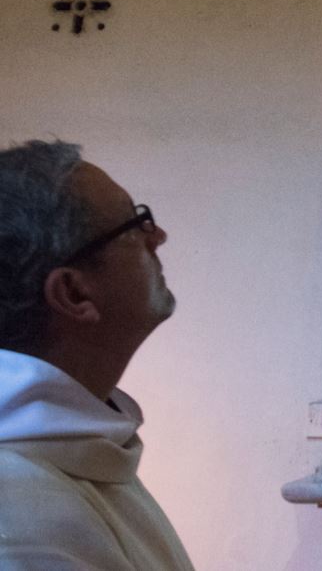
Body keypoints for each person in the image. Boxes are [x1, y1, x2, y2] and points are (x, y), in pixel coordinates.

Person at [0, 140, 195, 570]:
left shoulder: (81, 443)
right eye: (134, 224)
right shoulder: (16, 517)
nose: (158, 236)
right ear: (73, 292)